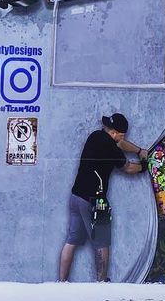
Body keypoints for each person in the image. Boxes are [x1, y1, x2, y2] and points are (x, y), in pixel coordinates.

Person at [59, 112, 149, 282]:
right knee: (102, 244)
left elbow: (120, 144)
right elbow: (129, 168)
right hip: (95, 201)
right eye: (121, 135)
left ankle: (61, 282)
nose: (122, 138)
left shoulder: (96, 136)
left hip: (76, 197)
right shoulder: (110, 148)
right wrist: (144, 164)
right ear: (115, 133)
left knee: (71, 240)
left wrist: (138, 150)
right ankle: (101, 283)